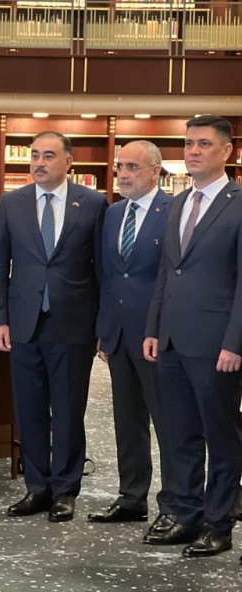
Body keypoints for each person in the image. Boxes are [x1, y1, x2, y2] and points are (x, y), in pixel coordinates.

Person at [0, 131, 107, 522]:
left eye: (49, 156)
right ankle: (37, 487)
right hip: (23, 322)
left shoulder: (93, 203)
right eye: (35, 155)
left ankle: (65, 489)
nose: (39, 163)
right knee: (29, 408)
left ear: (68, 162)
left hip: (73, 324)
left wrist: (102, 326)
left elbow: (102, 270)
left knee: (69, 408)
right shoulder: (12, 203)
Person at [143, 115, 242, 559]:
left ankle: (219, 524)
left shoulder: (238, 204)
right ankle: (185, 515)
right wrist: (153, 328)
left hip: (217, 344)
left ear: (227, 151)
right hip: (171, 341)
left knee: (220, 436)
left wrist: (236, 342)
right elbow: (168, 271)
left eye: (203, 143)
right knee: (179, 434)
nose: (193, 151)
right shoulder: (178, 202)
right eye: (188, 144)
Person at [89, 141, 176, 534]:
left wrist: (160, 328)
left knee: (169, 423)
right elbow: (108, 276)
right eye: (120, 166)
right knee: (127, 421)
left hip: (156, 337)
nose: (122, 174)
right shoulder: (113, 213)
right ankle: (131, 498)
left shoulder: (173, 211)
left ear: (155, 171)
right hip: (119, 336)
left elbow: (170, 278)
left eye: (132, 167)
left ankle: (174, 503)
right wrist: (104, 329)